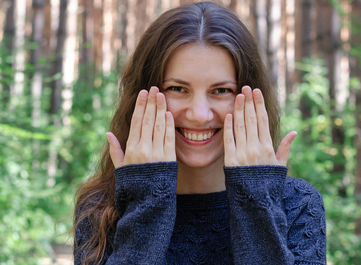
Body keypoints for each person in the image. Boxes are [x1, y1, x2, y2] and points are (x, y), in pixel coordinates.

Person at [73, 2, 326, 264]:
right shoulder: (101, 208)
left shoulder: (297, 204)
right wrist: (147, 200)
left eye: (221, 91)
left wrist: (256, 200)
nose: (199, 114)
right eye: (177, 89)